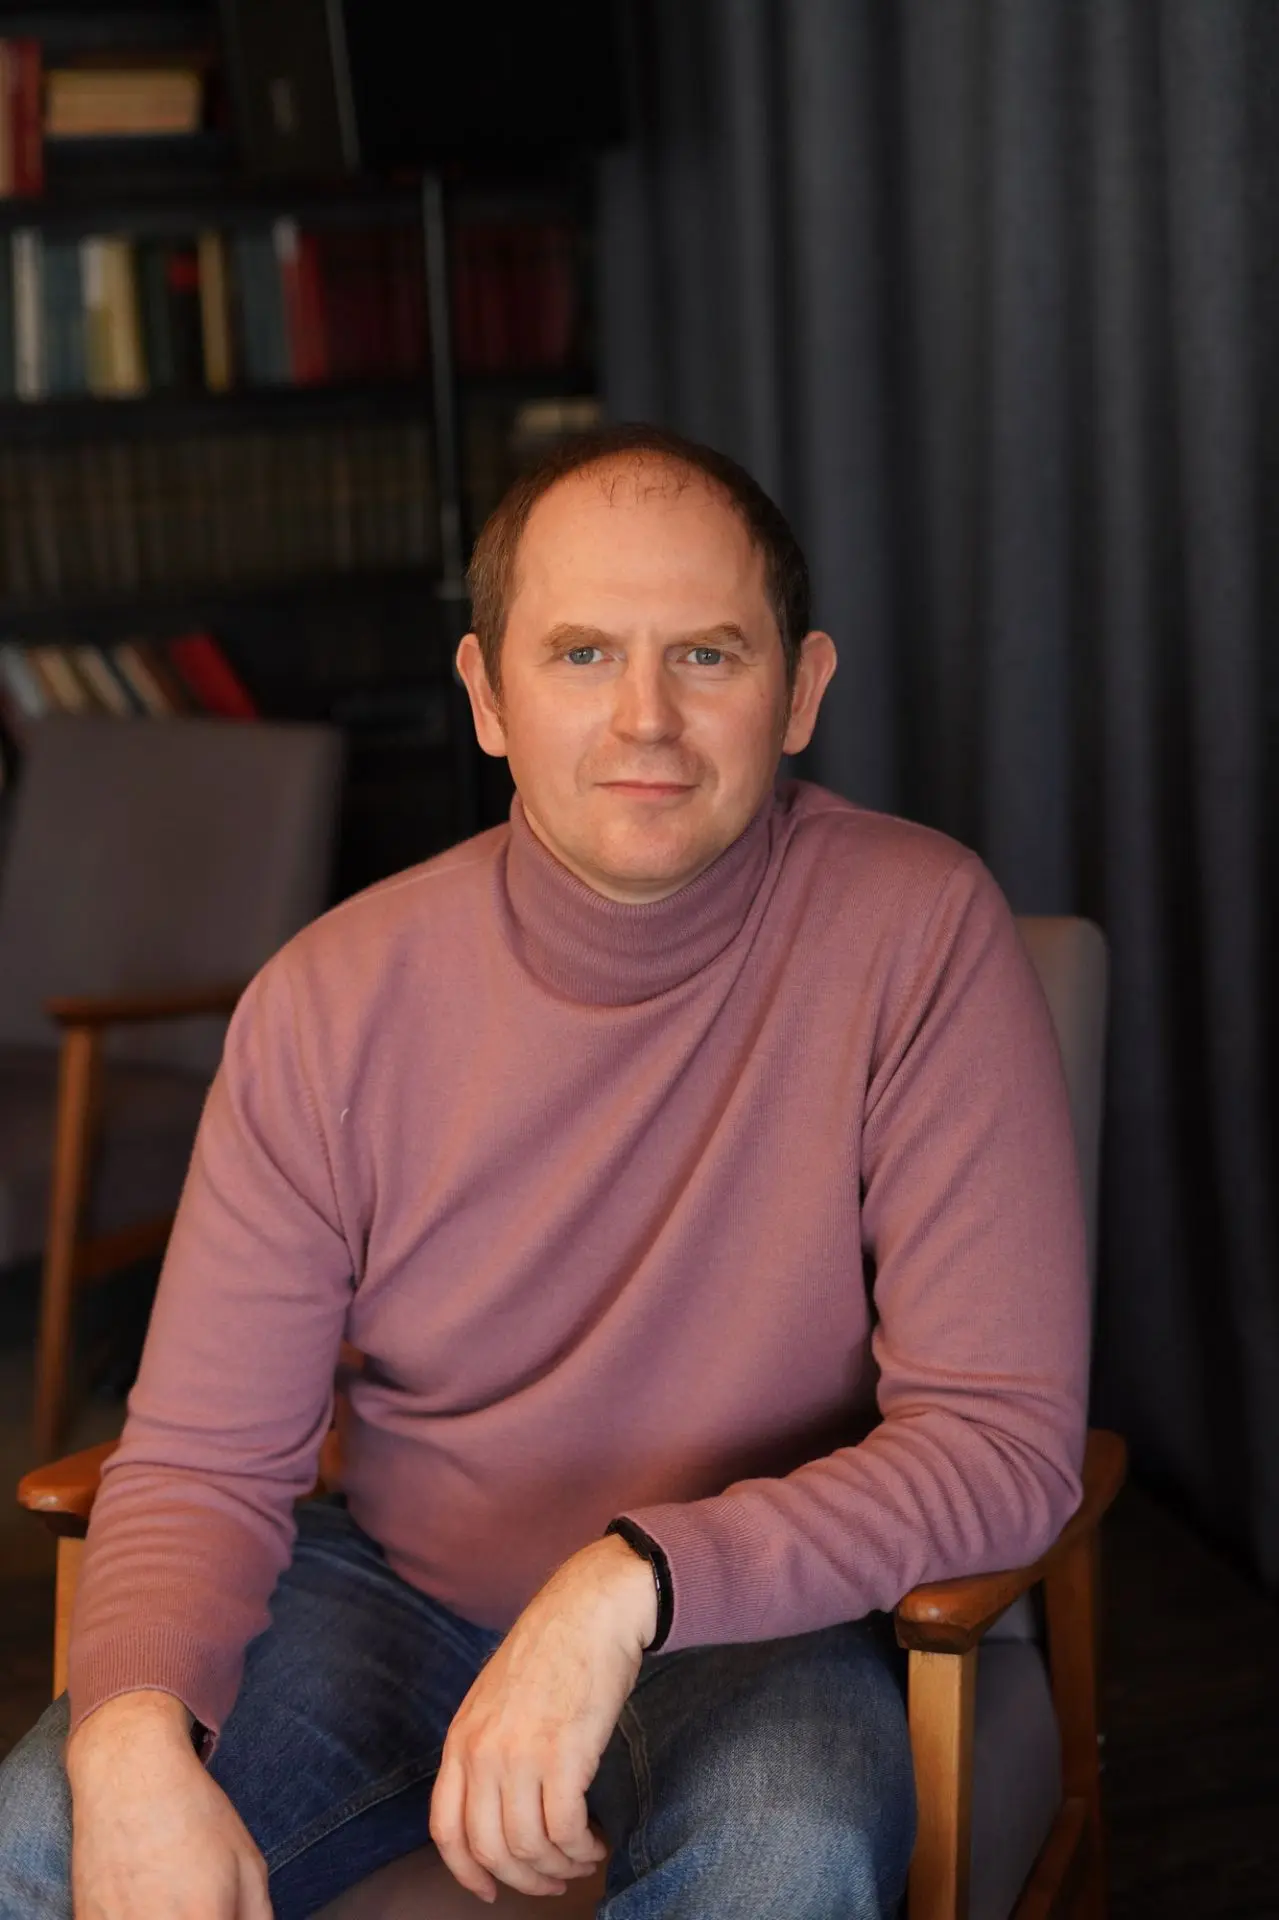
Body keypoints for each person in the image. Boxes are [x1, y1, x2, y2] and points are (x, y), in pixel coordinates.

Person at [0, 423, 1089, 1920]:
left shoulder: (920, 934)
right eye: (582, 654)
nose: (646, 718)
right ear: (487, 696)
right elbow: (198, 1459)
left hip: (756, 1624)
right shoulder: (329, 998)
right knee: (39, 1836)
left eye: (705, 655)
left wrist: (627, 1583)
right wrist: (128, 1737)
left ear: (800, 691)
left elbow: (1000, 1442)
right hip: (393, 1595)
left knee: (782, 1857)